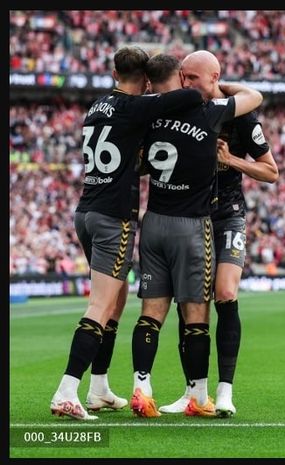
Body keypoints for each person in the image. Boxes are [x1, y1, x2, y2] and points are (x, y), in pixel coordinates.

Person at [50, 45, 204, 420]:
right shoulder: (136, 107)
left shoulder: (96, 106)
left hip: (85, 211)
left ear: (114, 72)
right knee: (101, 306)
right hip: (112, 218)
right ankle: (67, 390)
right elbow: (192, 95)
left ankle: (99, 388)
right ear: (146, 80)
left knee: (116, 302)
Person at [129, 54, 263, 418]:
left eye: (193, 77)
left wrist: (233, 160)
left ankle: (212, 390)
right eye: (182, 77)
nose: (187, 84)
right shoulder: (208, 113)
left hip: (194, 216)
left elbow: (271, 170)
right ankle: (195, 394)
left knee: (218, 295)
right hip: (194, 221)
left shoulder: (155, 112)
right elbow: (255, 95)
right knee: (192, 311)